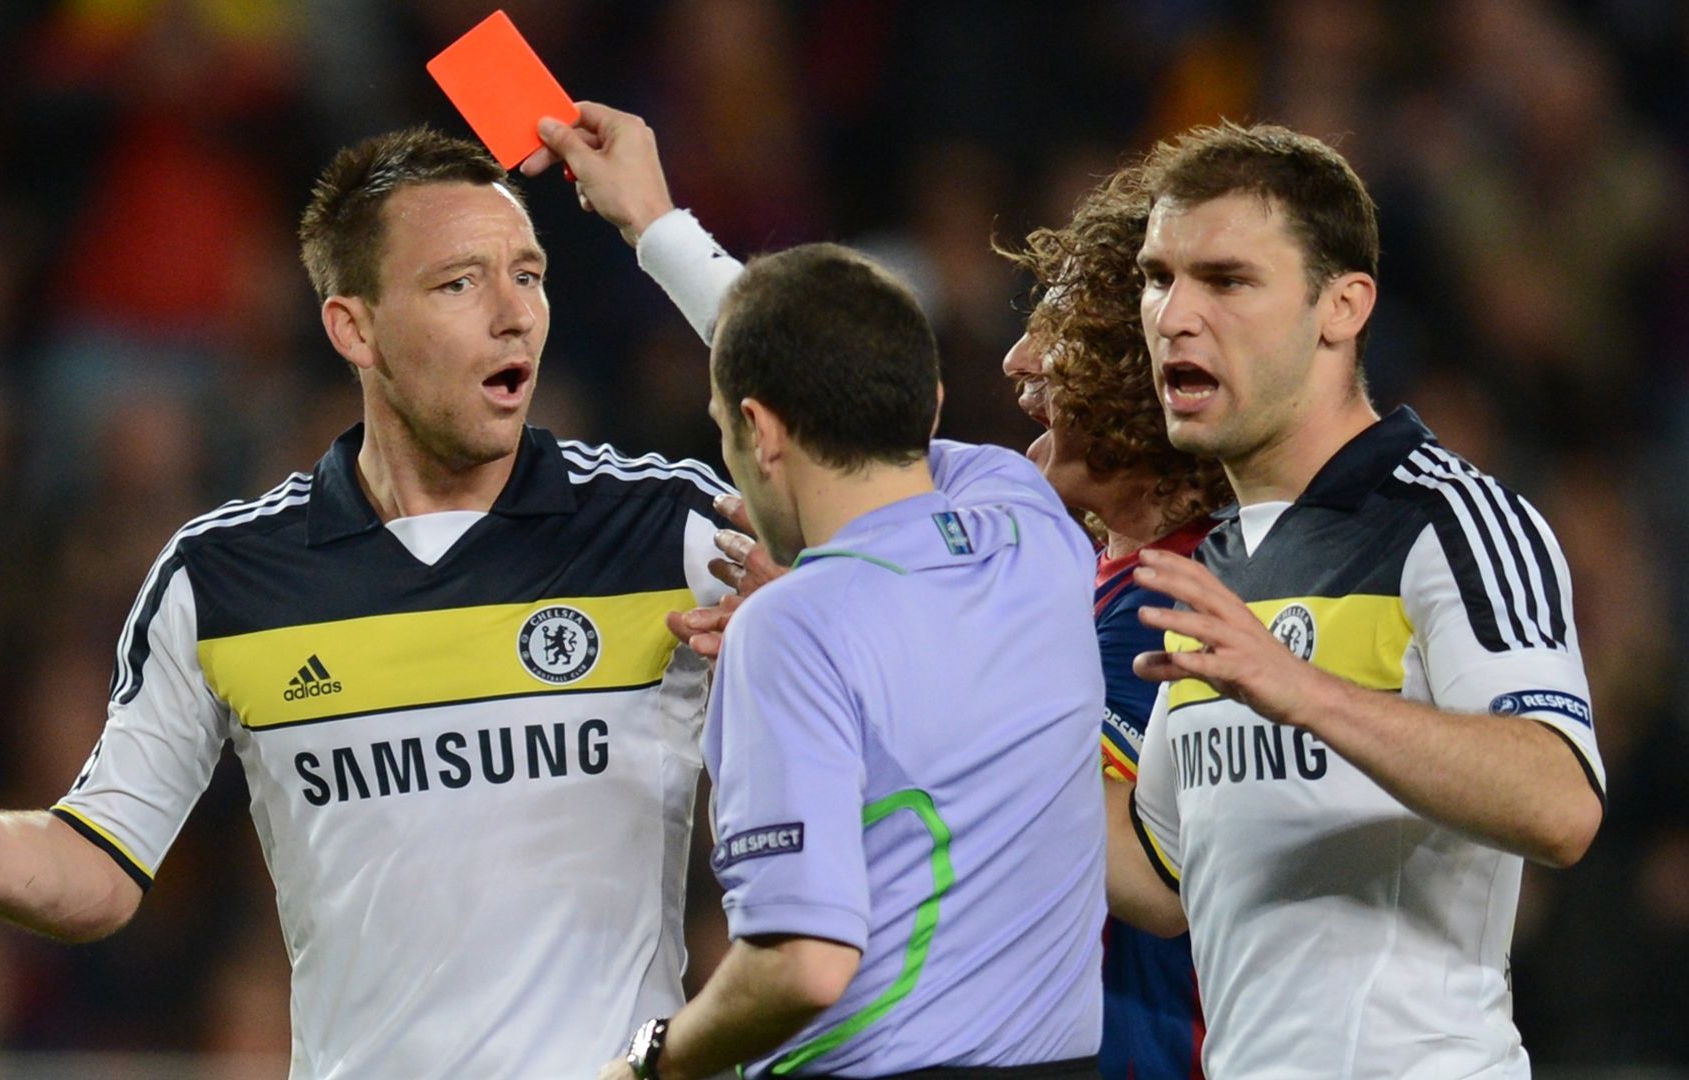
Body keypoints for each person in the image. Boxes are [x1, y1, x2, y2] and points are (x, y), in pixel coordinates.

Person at [0, 127, 738, 1079]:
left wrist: (657, 227)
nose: (514, 315)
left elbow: (862, 447)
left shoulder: (669, 534)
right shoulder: (225, 581)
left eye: (528, 275)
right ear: (352, 328)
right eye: (459, 284)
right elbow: (103, 865)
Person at [534, 107, 1109, 1080]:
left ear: (759, 431)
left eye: (724, 424)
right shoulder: (1027, 517)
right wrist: (653, 222)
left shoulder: (789, 630)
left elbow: (801, 967)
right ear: (926, 402)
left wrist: (649, 1064)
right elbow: (831, 365)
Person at [1109, 122, 1604, 1077]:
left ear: (1342, 307)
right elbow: (1159, 875)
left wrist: (1302, 689)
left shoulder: (1447, 521)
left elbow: (1560, 799)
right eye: (1157, 276)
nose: (1172, 314)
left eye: (1226, 280)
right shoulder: (1221, 563)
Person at [996, 164, 1231, 1080]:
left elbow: (1142, 879)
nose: (1016, 358)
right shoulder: (1094, 574)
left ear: (1140, 370)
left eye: (1057, 335)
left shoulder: (1190, 596)